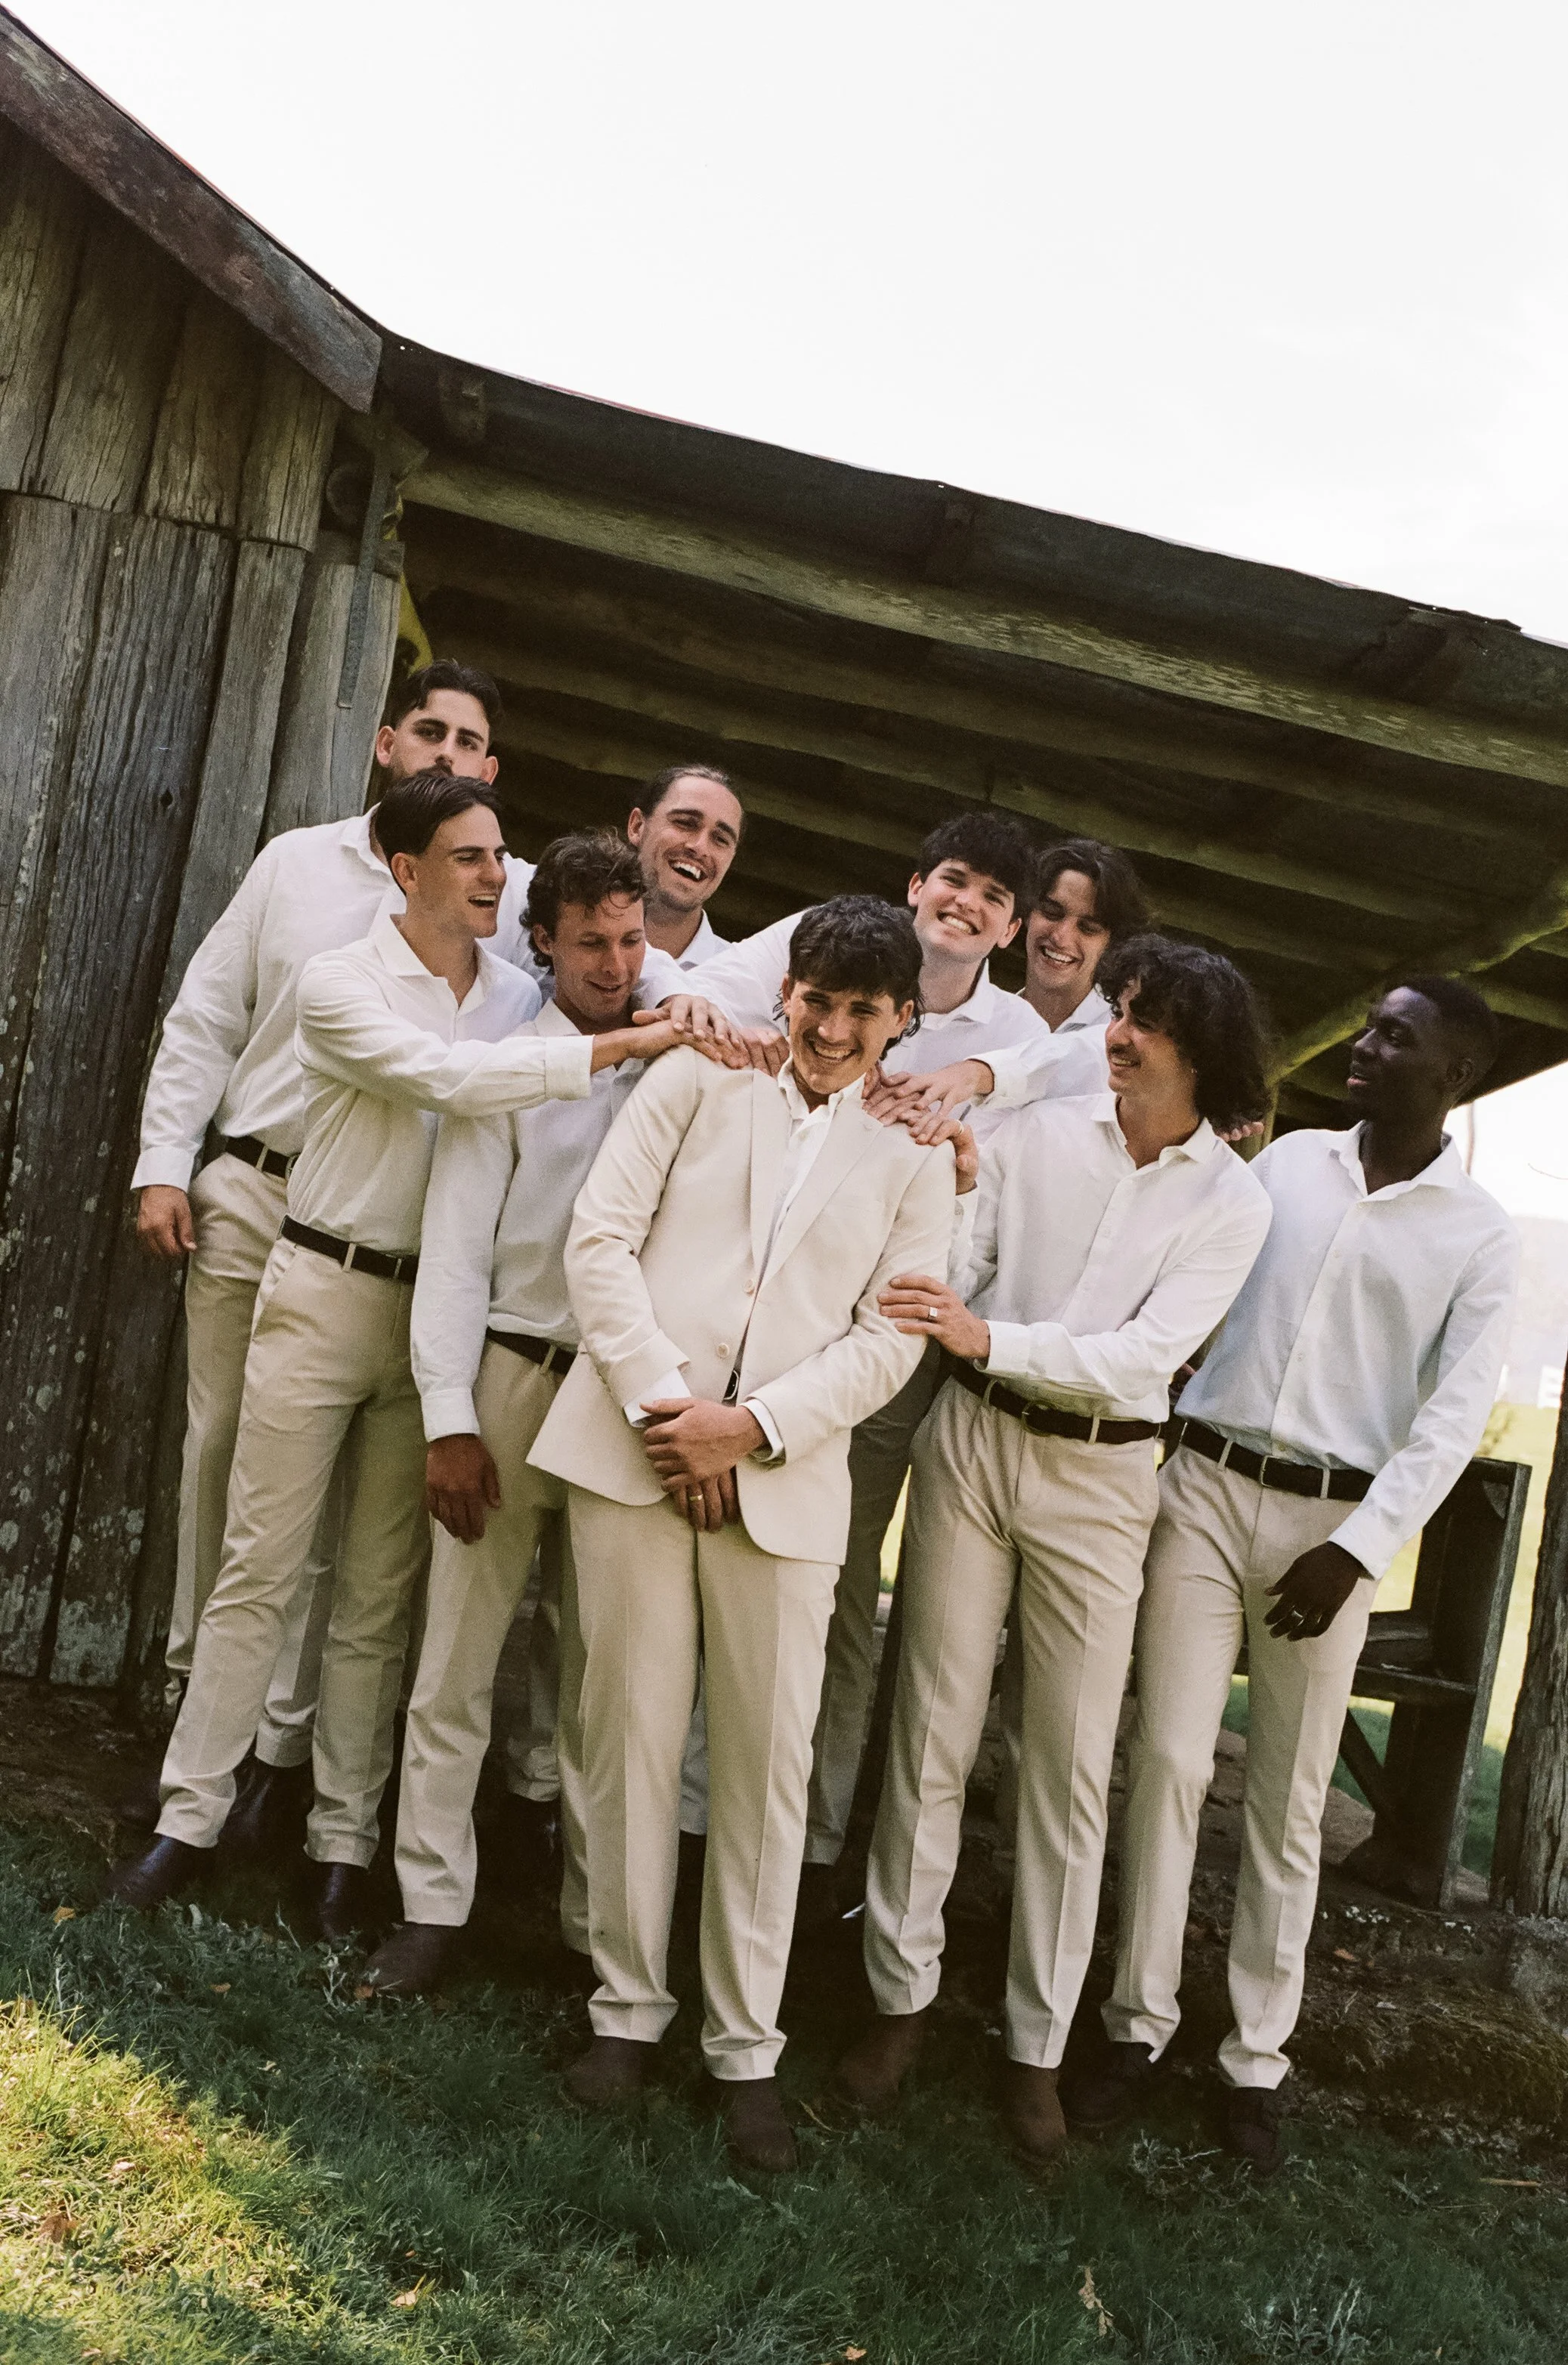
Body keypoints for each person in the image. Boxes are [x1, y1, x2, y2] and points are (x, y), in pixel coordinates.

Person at [106, 775, 703, 1934]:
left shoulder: (510, 993)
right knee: (258, 1571)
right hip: (322, 1284)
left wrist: (679, 1007)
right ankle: (188, 1819)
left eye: (498, 855)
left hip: (432, 1322)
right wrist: (634, 1037)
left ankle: (340, 1844)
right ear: (405, 867)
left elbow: (620, 952)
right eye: (471, 856)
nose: (495, 873)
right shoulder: (341, 986)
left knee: (378, 1593)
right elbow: (451, 1083)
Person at [529, 897, 970, 2173]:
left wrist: (757, 1426)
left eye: (859, 1012)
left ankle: (744, 2050)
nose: (829, 1030)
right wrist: (674, 1410)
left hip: (782, 1487)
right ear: (790, 990)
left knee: (769, 1774)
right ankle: (624, 2009)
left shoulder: (917, 1157)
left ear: (904, 1021)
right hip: (634, 1451)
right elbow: (600, 1240)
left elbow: (895, 1338)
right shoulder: (694, 1081)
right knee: (625, 1734)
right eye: (815, 999)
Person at [1068, 977, 1517, 2176]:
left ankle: (1254, 2058)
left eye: (1396, 1037)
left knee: (1287, 1799)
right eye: (1368, 1024)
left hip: (1331, 1525)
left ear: (1452, 1077)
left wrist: (1356, 1548)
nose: (1363, 1046)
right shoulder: (1279, 1170)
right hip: (1202, 1488)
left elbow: (1449, 1418)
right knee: (1162, 1760)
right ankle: (1134, 2023)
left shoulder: (1478, 1235)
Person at [841, 936, 1274, 2167]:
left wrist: (987, 1338)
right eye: (1118, 1012)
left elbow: (1145, 1360)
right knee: (929, 1730)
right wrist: (961, 1211)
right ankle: (897, 2007)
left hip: (1101, 1477)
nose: (1113, 1034)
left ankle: (1035, 2048)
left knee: (1070, 1769)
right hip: (973, 1446)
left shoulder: (1232, 1203)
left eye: (1139, 1023)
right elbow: (965, 1270)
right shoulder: (1043, 1130)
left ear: (1201, 1056)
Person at [130, 660, 508, 1843]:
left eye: (471, 740)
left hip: (391, 1225)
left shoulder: (497, 890)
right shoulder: (300, 861)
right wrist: (162, 1159)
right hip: (254, 1187)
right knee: (230, 1451)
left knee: (361, 1512)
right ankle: (204, 1698)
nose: (447, 751)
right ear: (387, 742)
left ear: (491, 770)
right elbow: (207, 1012)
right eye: (428, 729)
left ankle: (282, 1747)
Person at [803, 831, 1148, 1875]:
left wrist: (974, 1075)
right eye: (1049, 909)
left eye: (1088, 924)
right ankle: (812, 1826)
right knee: (833, 1576)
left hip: (1005, 1364)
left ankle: (892, 1846)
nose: (1060, 933)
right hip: (886, 1325)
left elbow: (1059, 1065)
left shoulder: (1099, 1037)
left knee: (946, 1630)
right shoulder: (939, 1002)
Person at [357, 832, 663, 1996]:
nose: (614, 962)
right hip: (505, 1375)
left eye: (630, 941)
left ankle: (591, 1928)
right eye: (590, 940)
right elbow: (452, 1254)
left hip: (616, 1398)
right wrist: (449, 1416)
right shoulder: (506, 1065)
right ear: (542, 940)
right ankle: (429, 1903)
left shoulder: (670, 1059)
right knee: (454, 1660)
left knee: (597, 1675)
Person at [625, 762, 744, 968]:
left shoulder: (739, 980)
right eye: (686, 823)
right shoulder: (563, 949)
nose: (700, 848)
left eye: (720, 839)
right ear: (637, 826)